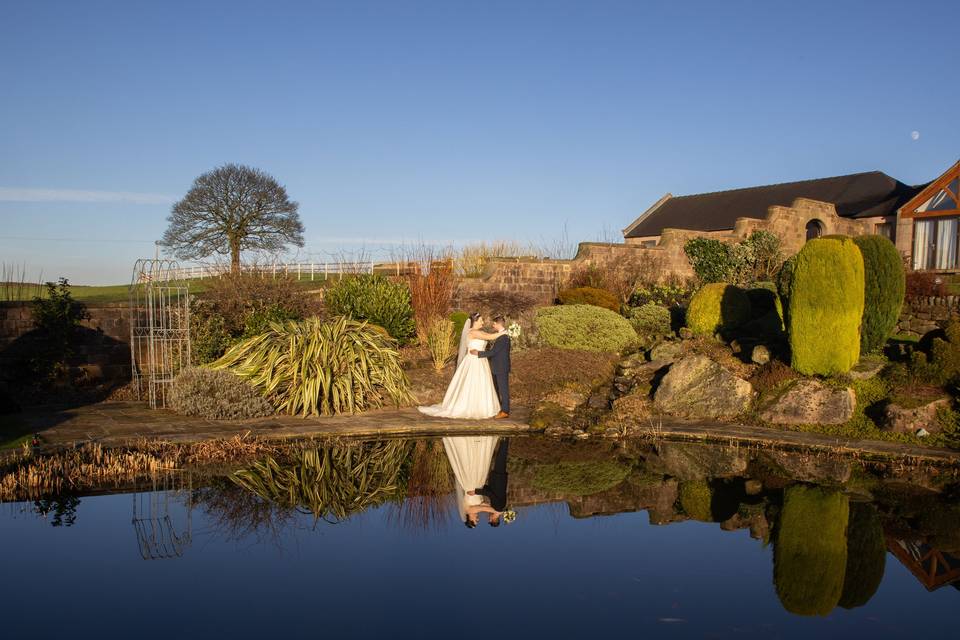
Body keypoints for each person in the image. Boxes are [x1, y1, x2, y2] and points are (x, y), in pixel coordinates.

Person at [418, 313, 504, 419]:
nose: (483, 322)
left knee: (482, 383)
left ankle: (483, 406)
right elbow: (490, 337)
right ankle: (471, 407)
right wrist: (505, 332)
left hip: (481, 361)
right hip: (473, 362)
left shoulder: (480, 332)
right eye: (481, 320)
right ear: (475, 321)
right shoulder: (472, 332)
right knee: (473, 384)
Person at [469, 314, 511, 419]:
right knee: (497, 388)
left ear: (497, 324)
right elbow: (490, 339)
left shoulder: (503, 337)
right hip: (496, 366)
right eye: (481, 320)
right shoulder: (500, 335)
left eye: (494, 324)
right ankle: (498, 408)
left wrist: (479, 353)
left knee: (503, 390)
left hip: (501, 367)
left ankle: (505, 411)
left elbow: (493, 352)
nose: (492, 325)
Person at [468, 438, 509, 527]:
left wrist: (481, 487)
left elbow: (490, 491)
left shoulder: (499, 508)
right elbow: (490, 494)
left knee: (500, 456)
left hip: (498, 478)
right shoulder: (498, 508)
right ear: (493, 520)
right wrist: (476, 491)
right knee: (501, 456)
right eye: (490, 520)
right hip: (499, 478)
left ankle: (505, 438)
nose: (488, 518)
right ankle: (506, 437)